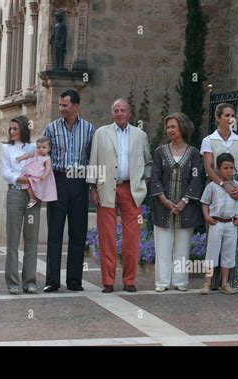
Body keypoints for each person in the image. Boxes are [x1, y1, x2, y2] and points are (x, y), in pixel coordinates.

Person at [88, 98, 152, 293]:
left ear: (129, 113)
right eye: (116, 110)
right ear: (112, 113)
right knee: (106, 236)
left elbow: (148, 162)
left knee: (131, 237)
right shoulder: (101, 133)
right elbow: (94, 161)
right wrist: (92, 187)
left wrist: (144, 182)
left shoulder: (140, 135)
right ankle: (108, 281)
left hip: (131, 190)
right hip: (106, 188)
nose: (119, 113)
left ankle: (129, 281)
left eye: (123, 110)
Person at [42, 89, 95, 292]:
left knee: (78, 232)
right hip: (58, 180)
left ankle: (74, 280)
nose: (61, 108)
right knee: (54, 233)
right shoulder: (51, 128)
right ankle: (52, 281)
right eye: (60, 105)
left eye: (65, 105)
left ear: (76, 106)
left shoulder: (89, 129)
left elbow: (92, 158)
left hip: (80, 182)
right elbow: (43, 156)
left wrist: (92, 186)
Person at [149, 113, 203, 292]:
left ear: (182, 128)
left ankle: (181, 281)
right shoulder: (160, 151)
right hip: (162, 207)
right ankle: (162, 283)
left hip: (186, 209)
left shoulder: (194, 153)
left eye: (173, 126)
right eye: (168, 127)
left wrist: (184, 201)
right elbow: (154, 176)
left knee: (182, 247)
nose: (170, 130)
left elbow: (196, 179)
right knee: (162, 247)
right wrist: (164, 200)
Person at [200, 102, 238, 288]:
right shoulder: (208, 140)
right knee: (214, 237)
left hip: (235, 187)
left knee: (231, 239)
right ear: (218, 118)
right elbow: (208, 167)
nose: (231, 119)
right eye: (227, 115)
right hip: (216, 185)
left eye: (232, 115)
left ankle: (228, 281)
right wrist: (223, 184)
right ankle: (209, 282)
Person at [0, 116, 40, 294]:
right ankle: (13, 283)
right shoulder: (6, 148)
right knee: (13, 240)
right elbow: (6, 172)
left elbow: (40, 167)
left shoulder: (33, 148)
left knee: (31, 239)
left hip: (33, 194)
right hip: (15, 193)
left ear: (23, 129)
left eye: (15, 128)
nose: (12, 132)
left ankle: (30, 281)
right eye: (10, 129)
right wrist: (22, 178)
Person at [200, 153, 238, 295]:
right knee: (212, 253)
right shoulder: (213, 186)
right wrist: (207, 216)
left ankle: (225, 283)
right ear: (218, 169)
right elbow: (205, 202)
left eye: (231, 168)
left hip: (231, 224)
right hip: (216, 223)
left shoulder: (237, 186)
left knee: (228, 253)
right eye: (225, 168)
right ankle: (207, 283)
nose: (229, 171)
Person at [16, 136, 57, 208]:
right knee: (27, 184)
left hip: (38, 175)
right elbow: (28, 155)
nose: (41, 149)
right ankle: (32, 198)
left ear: (49, 149)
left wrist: (45, 175)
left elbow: (48, 168)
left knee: (34, 185)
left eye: (44, 148)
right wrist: (20, 158)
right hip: (30, 173)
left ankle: (35, 197)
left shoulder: (47, 158)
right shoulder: (35, 153)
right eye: (39, 147)